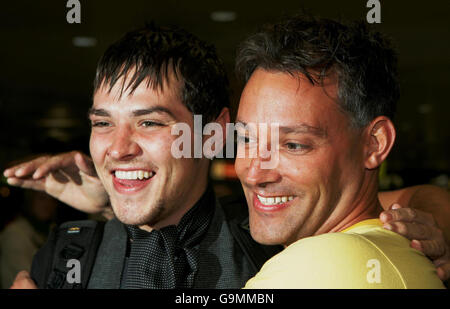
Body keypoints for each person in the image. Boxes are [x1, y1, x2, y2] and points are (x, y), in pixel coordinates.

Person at [4, 21, 450, 289]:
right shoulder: (68, 252)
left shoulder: (273, 240)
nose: (118, 147)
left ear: (210, 135)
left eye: (151, 122)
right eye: (102, 123)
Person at [232, 15, 448, 288]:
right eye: (246, 138)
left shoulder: (314, 265)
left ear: (375, 143)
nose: (253, 173)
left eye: (293, 145)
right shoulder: (394, 248)